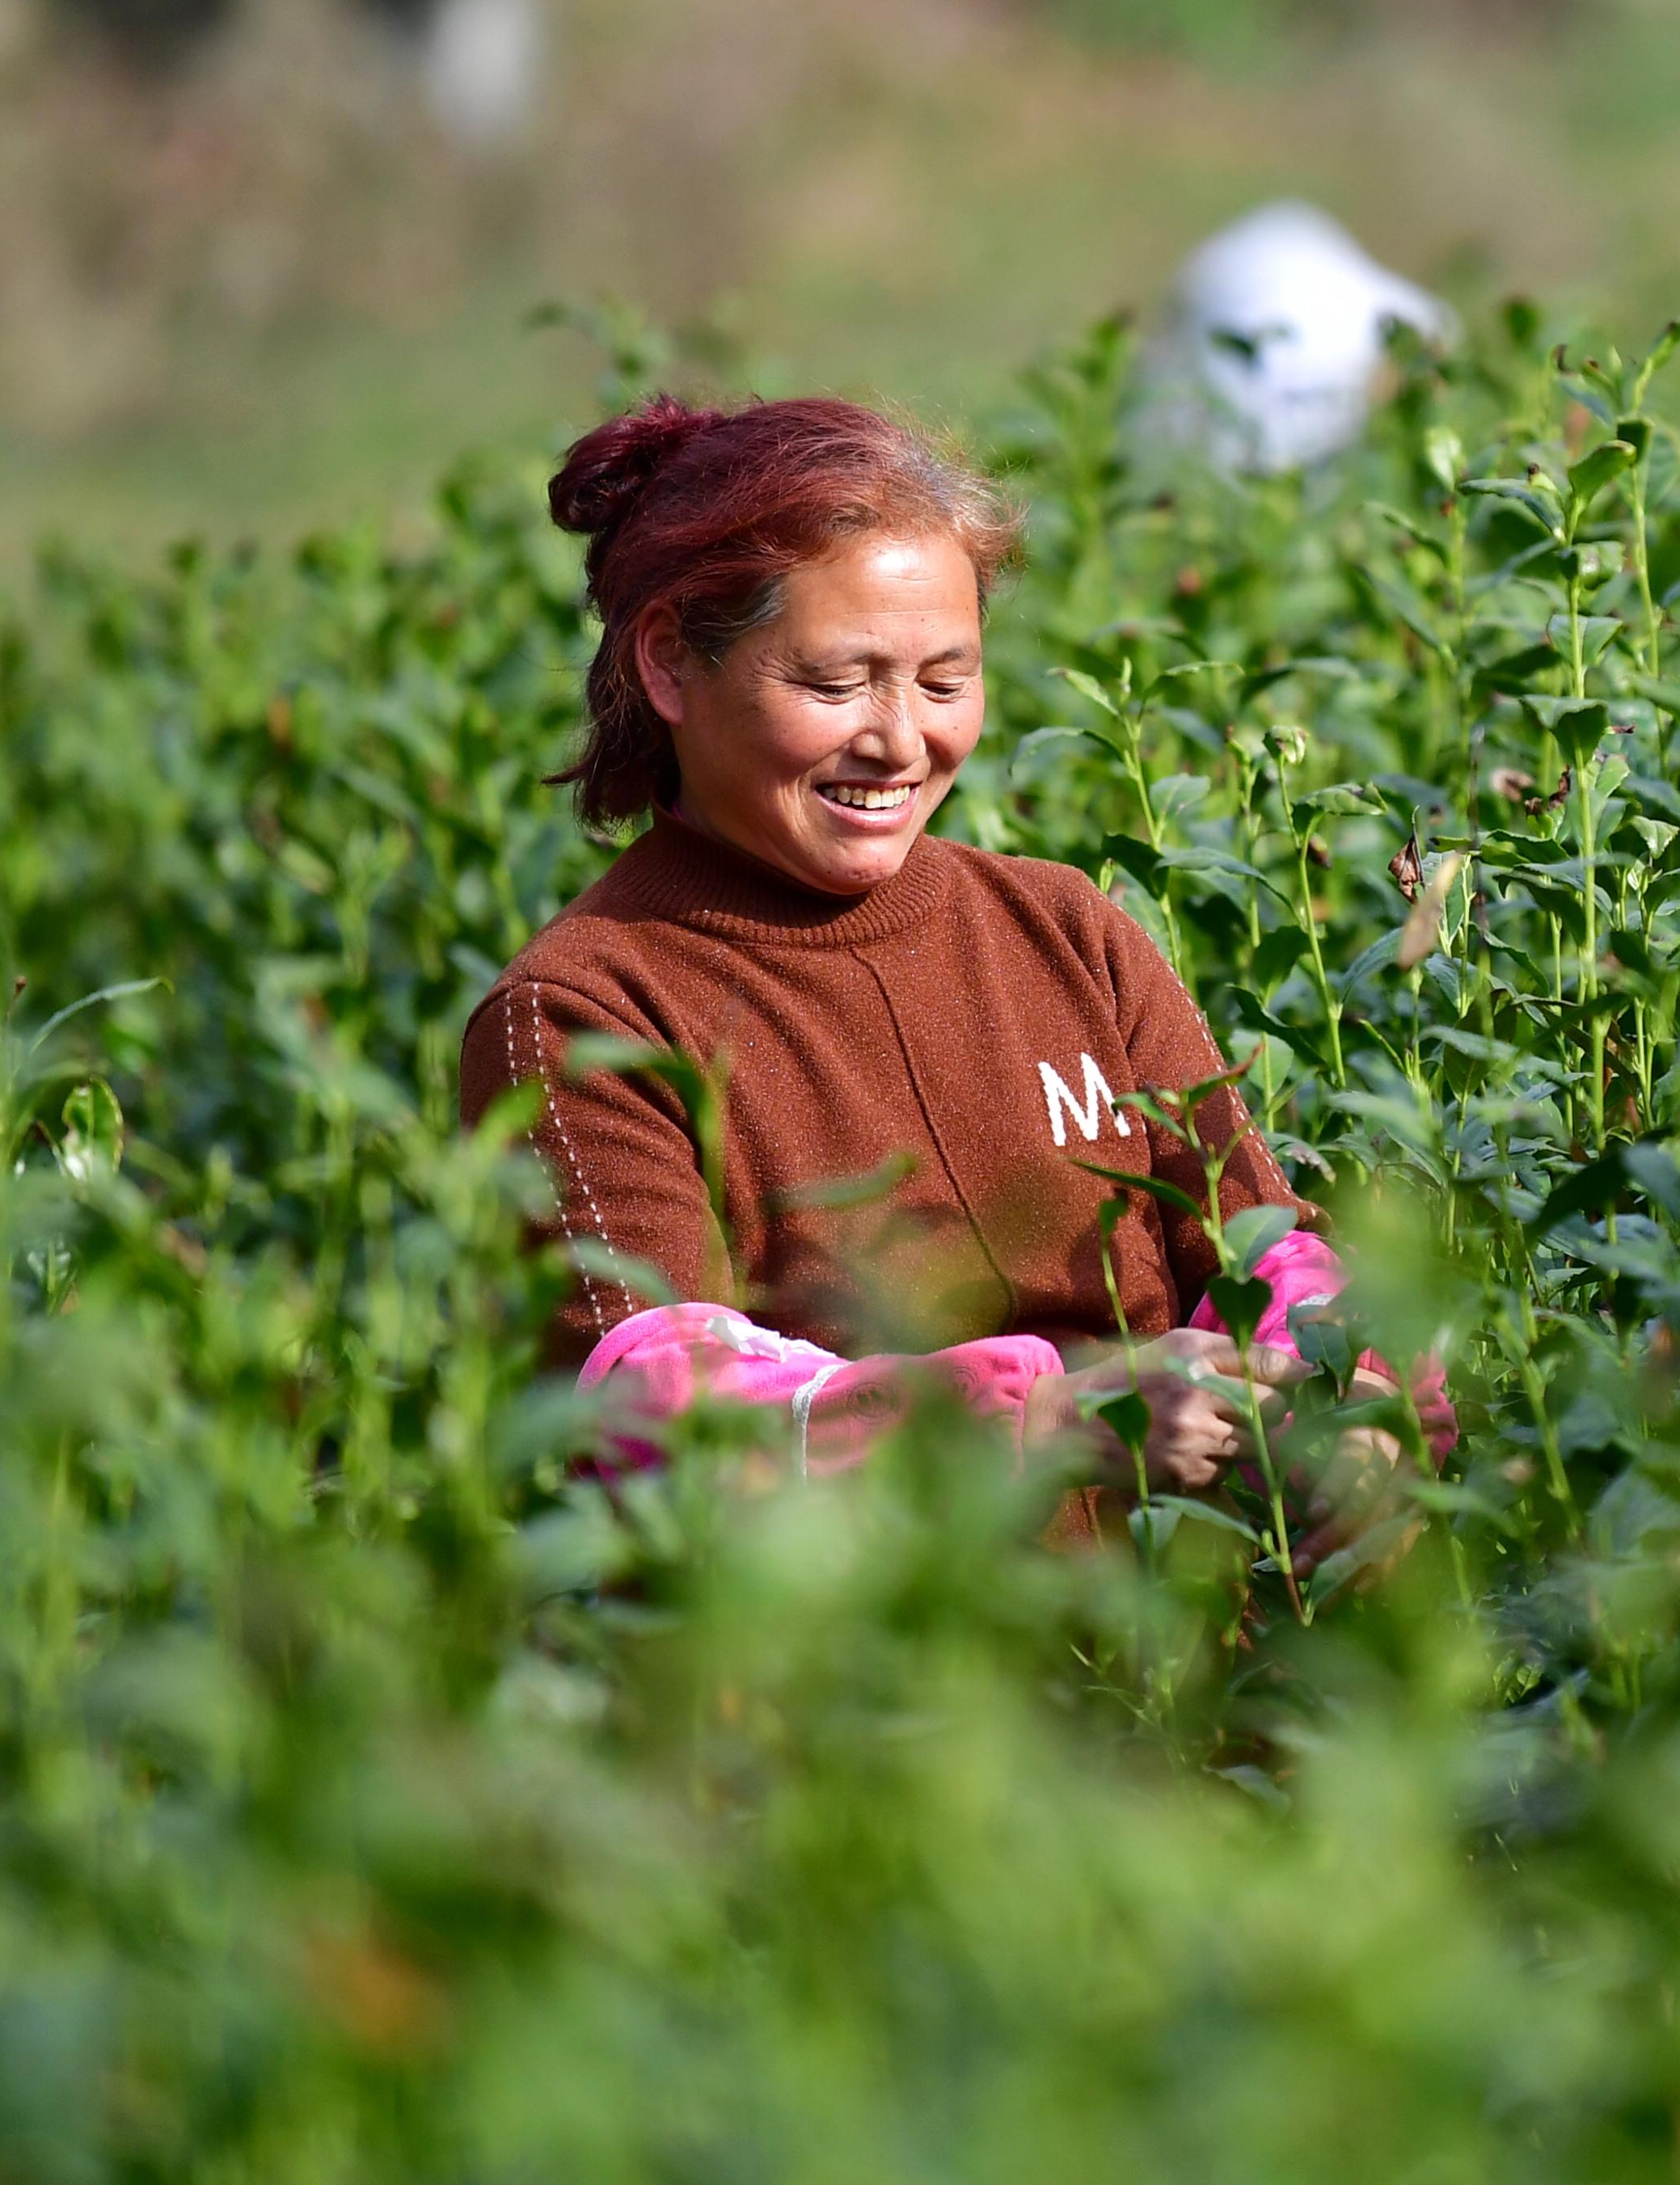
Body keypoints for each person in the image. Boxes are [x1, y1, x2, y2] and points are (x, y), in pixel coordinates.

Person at [458, 394, 1447, 1525]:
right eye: (836, 683)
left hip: (1188, 1674)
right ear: (672, 664)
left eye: (944, 681)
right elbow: (661, 1421)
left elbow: (1269, 1253)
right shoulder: (587, 1011)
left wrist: (1359, 1411)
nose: (899, 740)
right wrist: (1048, 1423)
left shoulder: (1065, 928)